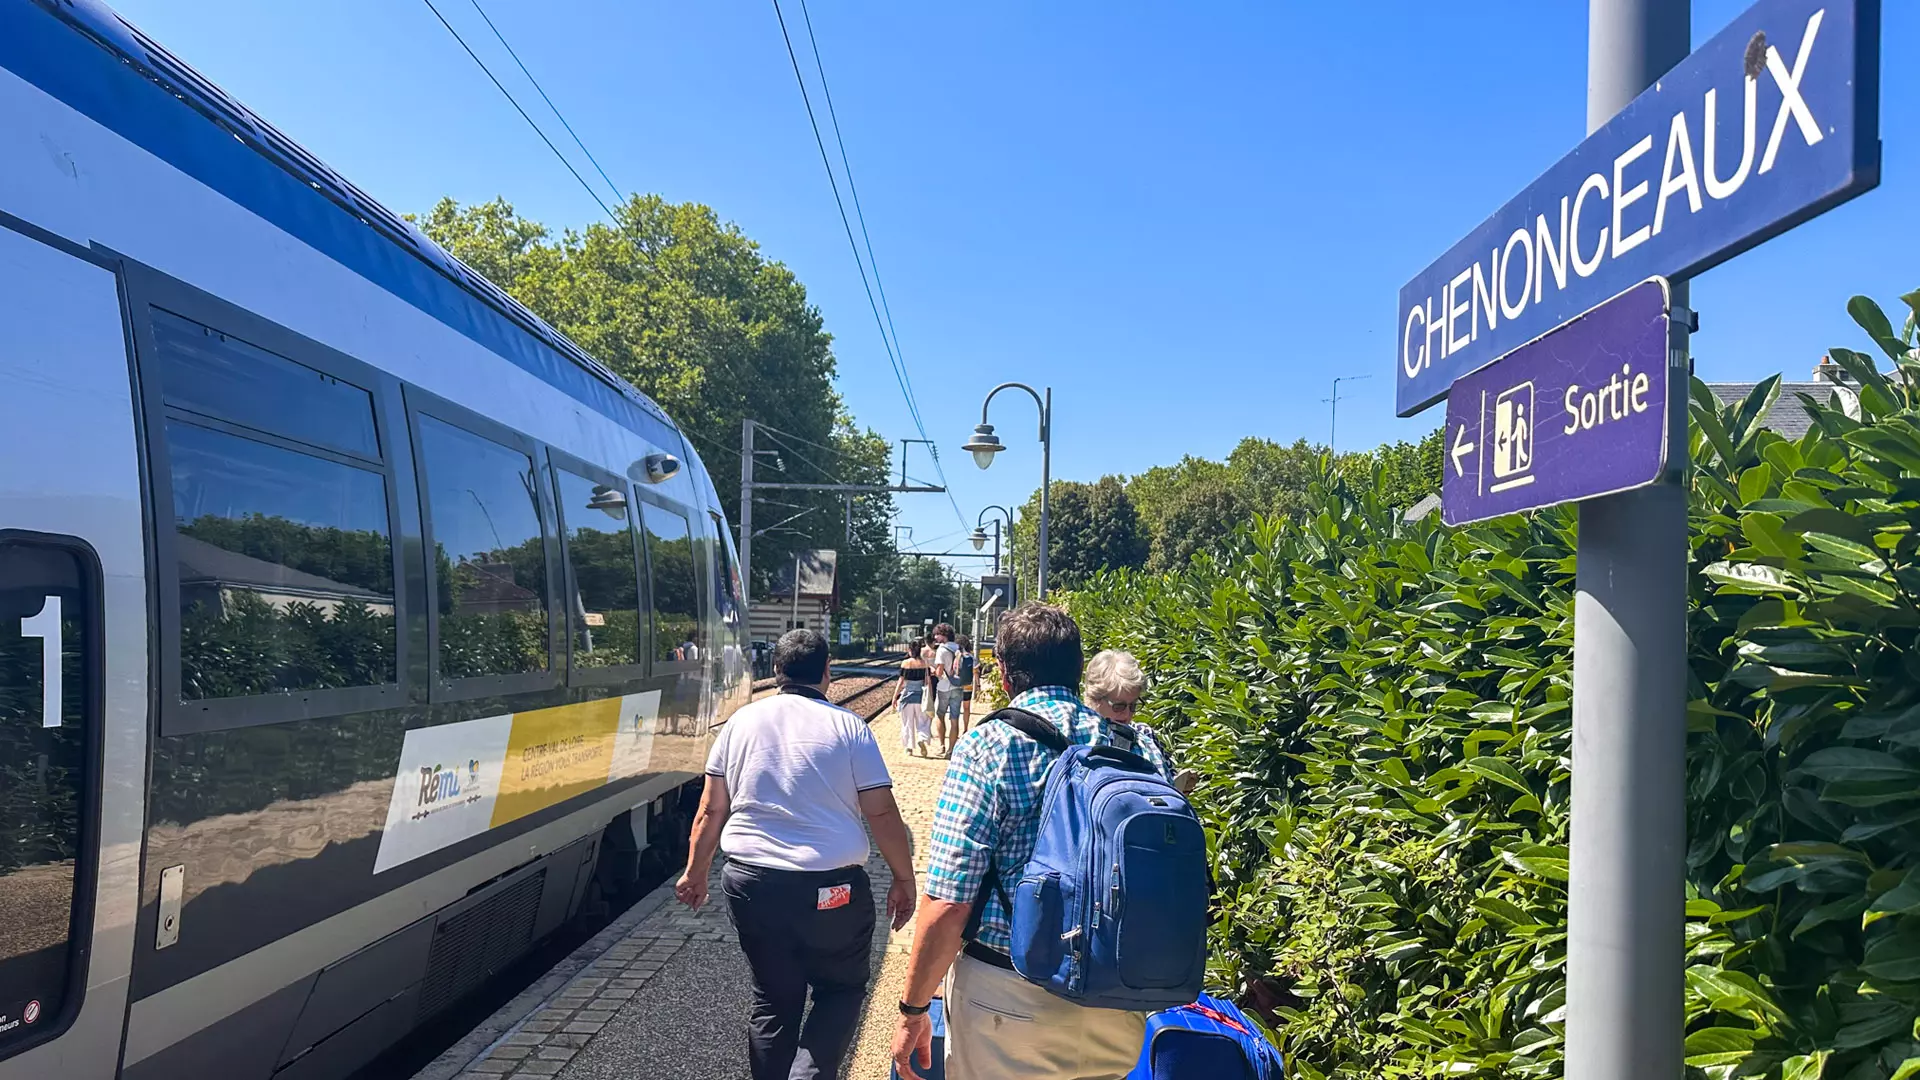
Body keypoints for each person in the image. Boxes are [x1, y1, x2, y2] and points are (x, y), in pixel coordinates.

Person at [891, 604, 1172, 1080]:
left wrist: (912, 1009)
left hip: (1009, 998)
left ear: (1004, 673)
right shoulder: (1138, 746)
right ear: (1078, 669)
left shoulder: (989, 745)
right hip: (1116, 997)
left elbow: (949, 901)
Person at [676, 629, 918, 1080]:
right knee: (841, 989)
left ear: (776, 671)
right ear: (827, 672)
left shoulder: (739, 724)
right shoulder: (850, 728)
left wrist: (696, 872)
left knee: (773, 997)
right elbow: (882, 811)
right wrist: (904, 879)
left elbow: (711, 808)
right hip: (832, 889)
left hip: (751, 883)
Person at [1084, 648, 1196, 795]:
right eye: (1118, 706)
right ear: (1094, 699)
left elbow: (1170, 781)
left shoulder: (1145, 734)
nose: (1126, 714)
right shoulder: (1082, 735)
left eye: (1133, 706)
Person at [897, 637, 933, 756]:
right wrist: (930, 697)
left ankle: (908, 748)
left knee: (907, 723)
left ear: (910, 650)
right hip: (920, 697)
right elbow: (928, 681)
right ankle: (921, 738)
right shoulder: (925, 663)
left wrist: (895, 696)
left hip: (907, 697)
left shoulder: (906, 663)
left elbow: (901, 681)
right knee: (923, 721)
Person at [932, 623, 959, 756]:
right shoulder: (959, 648)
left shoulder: (942, 650)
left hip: (944, 687)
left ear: (944, 635)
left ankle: (942, 746)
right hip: (958, 686)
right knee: (954, 719)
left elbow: (939, 672)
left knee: (940, 715)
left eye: (937, 634)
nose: (935, 637)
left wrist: (933, 670)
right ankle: (951, 750)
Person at [954, 633, 977, 731]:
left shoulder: (955, 657)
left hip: (957, 685)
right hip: (968, 685)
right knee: (966, 708)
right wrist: (978, 685)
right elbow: (976, 672)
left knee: (956, 708)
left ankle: (955, 729)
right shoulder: (972, 657)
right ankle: (965, 728)